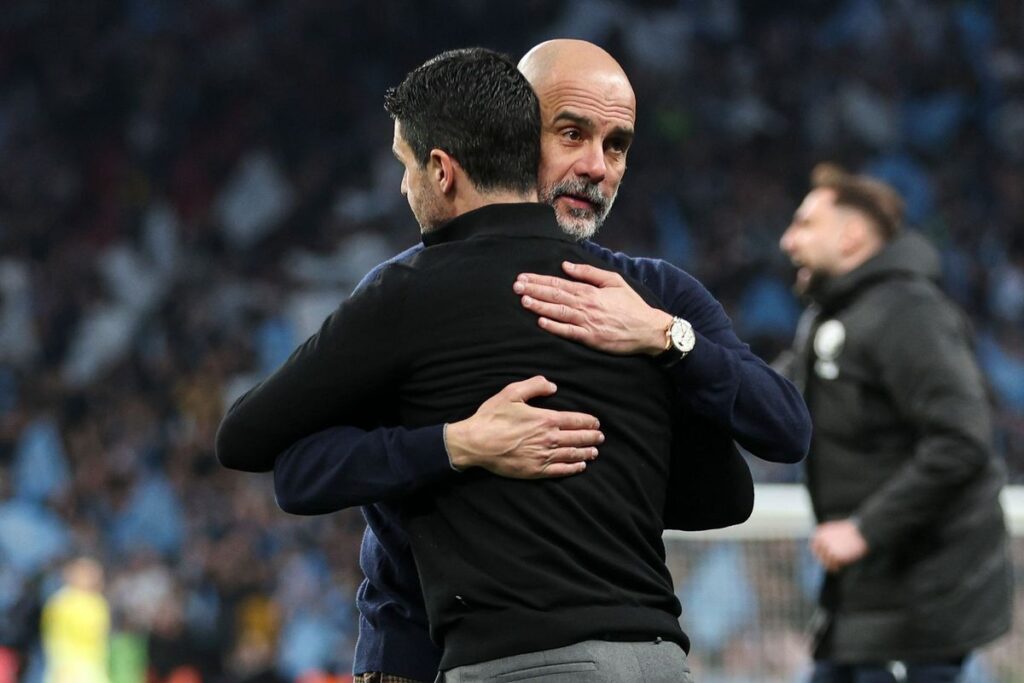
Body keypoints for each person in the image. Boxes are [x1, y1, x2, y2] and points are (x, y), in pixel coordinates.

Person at [218, 40, 810, 683]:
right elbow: (311, 472)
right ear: (515, 133)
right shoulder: (412, 292)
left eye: (617, 146)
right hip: (426, 653)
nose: (596, 167)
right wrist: (457, 446)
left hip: (536, 651)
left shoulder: (656, 297)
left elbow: (776, 435)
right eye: (572, 133)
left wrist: (668, 339)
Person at [777, 163, 1012, 683]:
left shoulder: (909, 312)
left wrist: (865, 528)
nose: (788, 240)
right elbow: (774, 395)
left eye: (805, 224)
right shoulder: (829, 315)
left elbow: (962, 441)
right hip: (868, 595)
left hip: (920, 598)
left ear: (852, 237)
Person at [40, 557, 111, 683]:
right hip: (69, 666)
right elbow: (54, 636)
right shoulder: (62, 602)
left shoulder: (97, 602)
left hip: (94, 664)